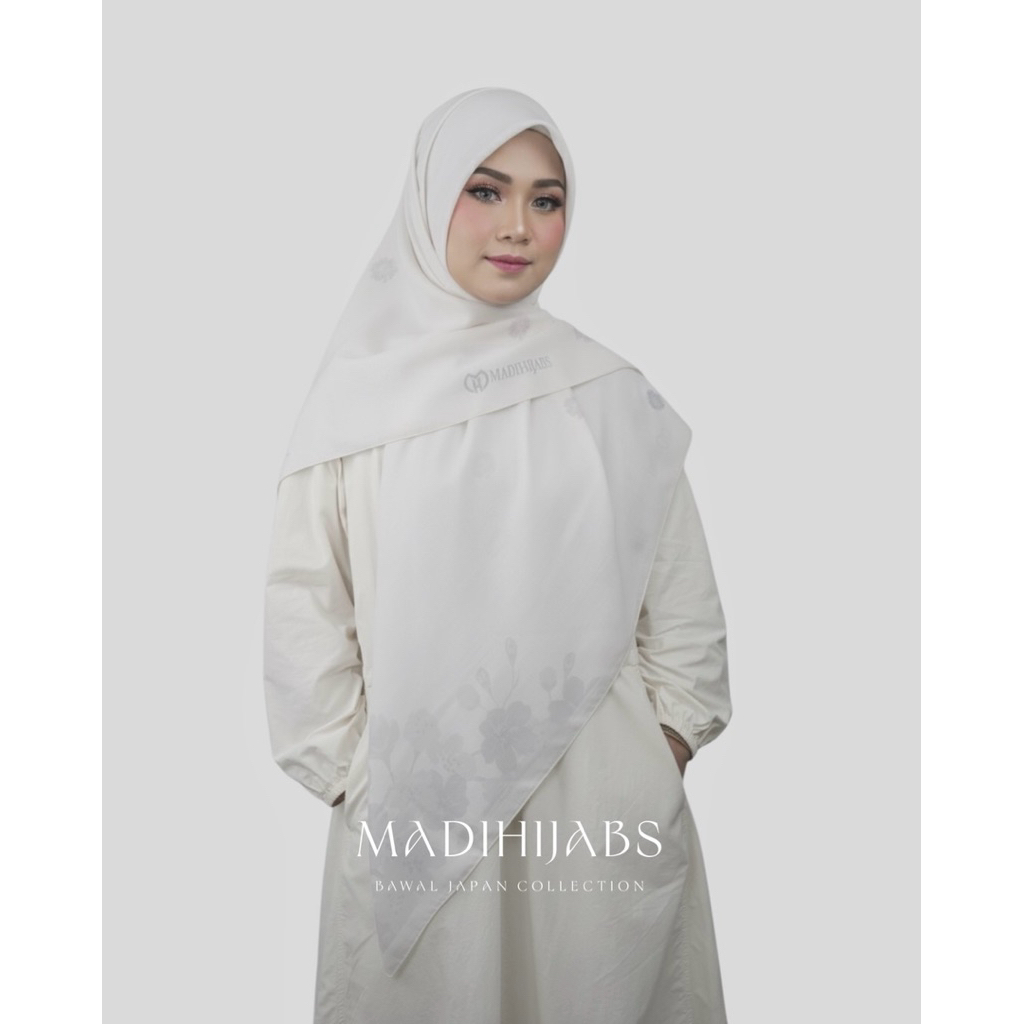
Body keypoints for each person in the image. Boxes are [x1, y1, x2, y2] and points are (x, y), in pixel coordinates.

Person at [263, 86, 733, 1024]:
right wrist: (355, 775)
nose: (518, 225)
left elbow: (682, 602)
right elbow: (305, 602)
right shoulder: (356, 406)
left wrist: (659, 753)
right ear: (427, 197)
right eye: (485, 190)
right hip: (420, 804)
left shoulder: (609, 396)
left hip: (599, 804)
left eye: (545, 199)